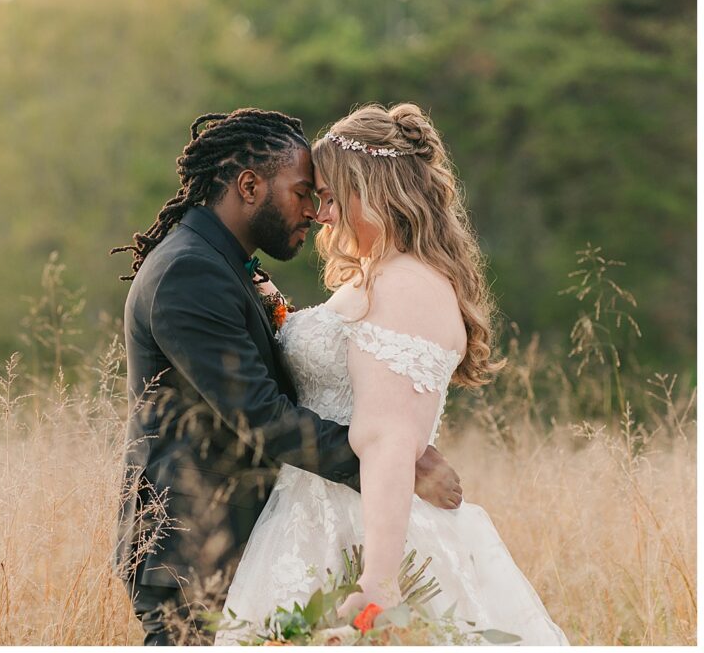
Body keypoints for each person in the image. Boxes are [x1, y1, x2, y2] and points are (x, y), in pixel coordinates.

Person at [215, 103, 569, 645]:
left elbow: (384, 437)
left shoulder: (407, 285)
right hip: (311, 517)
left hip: (367, 533)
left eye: (331, 197)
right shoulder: (377, 277)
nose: (322, 215)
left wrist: (379, 582)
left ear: (374, 190)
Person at [110, 108, 464, 645]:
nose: (315, 211)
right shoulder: (189, 271)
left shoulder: (218, 263)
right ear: (249, 186)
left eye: (322, 195)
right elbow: (261, 414)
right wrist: (396, 462)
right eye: (303, 193)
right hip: (194, 548)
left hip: (250, 542)